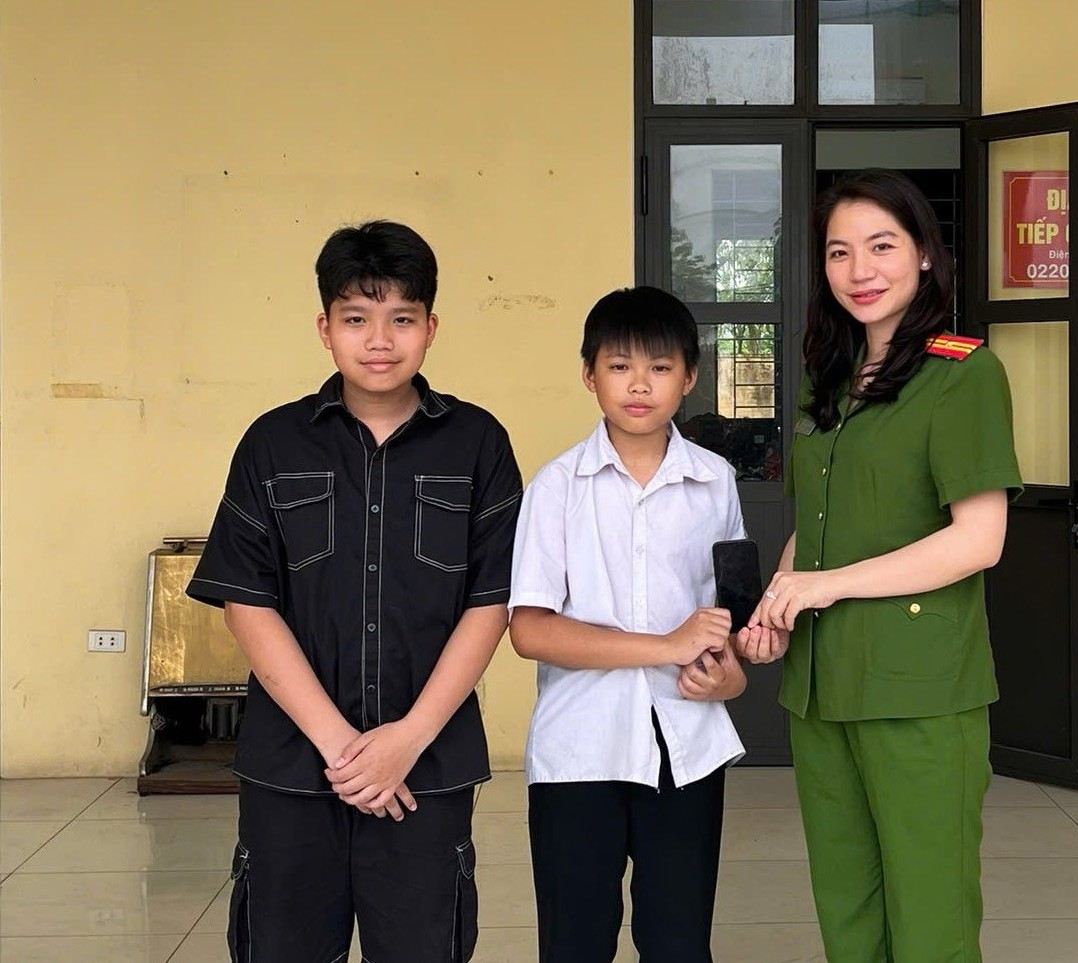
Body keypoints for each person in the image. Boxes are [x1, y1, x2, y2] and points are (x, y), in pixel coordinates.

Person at [187, 220, 522, 962]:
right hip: (292, 767)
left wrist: (405, 739)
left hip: (425, 768)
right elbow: (248, 599)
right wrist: (342, 746)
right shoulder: (272, 444)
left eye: (401, 318)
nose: (379, 339)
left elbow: (491, 600)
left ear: (430, 327)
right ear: (324, 328)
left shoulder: (478, 444)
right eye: (356, 318)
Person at [738, 170, 1023, 963]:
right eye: (838, 251)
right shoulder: (825, 379)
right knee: (847, 907)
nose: (859, 269)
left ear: (925, 256)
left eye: (881, 245)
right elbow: (819, 526)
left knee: (928, 914)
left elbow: (978, 539)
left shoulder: (962, 374)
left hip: (917, 689)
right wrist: (777, 604)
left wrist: (824, 585)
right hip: (824, 687)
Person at [509, 286, 748, 963]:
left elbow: (730, 617)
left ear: (690, 376)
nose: (639, 384)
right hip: (578, 749)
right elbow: (530, 629)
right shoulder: (556, 486)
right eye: (618, 366)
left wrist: (728, 674)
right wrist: (665, 645)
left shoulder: (715, 480)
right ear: (589, 375)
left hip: (686, 745)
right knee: (574, 941)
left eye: (660, 366)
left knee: (677, 941)